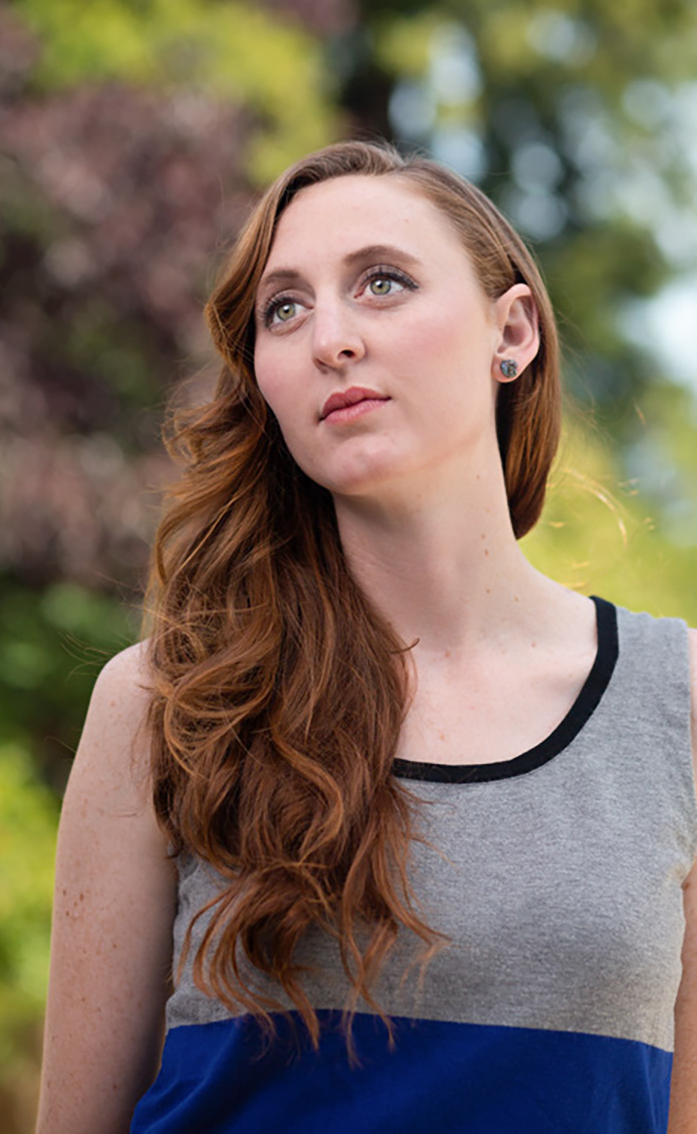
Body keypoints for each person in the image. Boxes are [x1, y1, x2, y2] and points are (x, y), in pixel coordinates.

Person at [35, 140, 697, 1134]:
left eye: (381, 282)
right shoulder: (164, 703)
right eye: (284, 309)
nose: (329, 337)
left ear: (508, 332)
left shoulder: (677, 700)